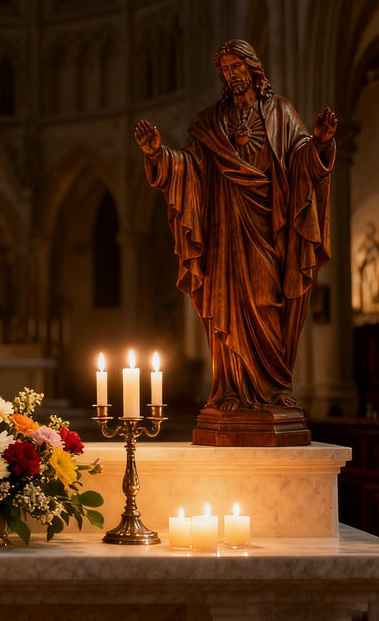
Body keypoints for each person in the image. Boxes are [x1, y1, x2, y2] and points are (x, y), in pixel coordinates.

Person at [134, 40, 336, 414]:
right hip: (224, 228)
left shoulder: (280, 112)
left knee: (266, 300)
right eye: (225, 70)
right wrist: (159, 155)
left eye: (237, 67)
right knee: (224, 306)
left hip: (267, 224)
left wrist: (321, 144)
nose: (232, 75)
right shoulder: (211, 121)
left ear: (253, 68)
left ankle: (275, 387)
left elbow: (300, 158)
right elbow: (190, 167)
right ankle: (229, 390)